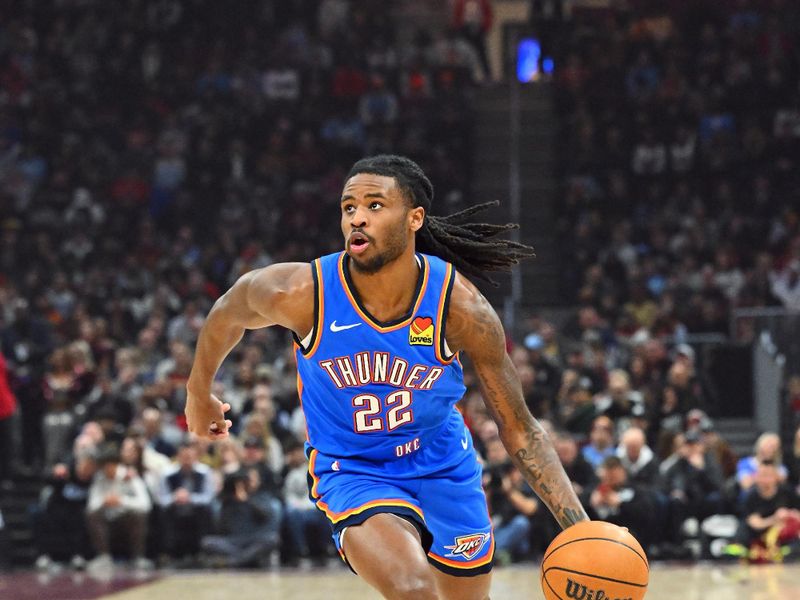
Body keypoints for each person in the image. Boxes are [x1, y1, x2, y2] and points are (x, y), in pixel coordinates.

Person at [186, 155, 588, 599]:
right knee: (414, 589)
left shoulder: (460, 309)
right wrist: (198, 391)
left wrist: (582, 529)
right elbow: (227, 312)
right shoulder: (303, 293)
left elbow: (520, 429)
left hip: (442, 465)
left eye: (375, 205)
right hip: (354, 467)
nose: (357, 217)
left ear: (414, 217)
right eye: (349, 207)